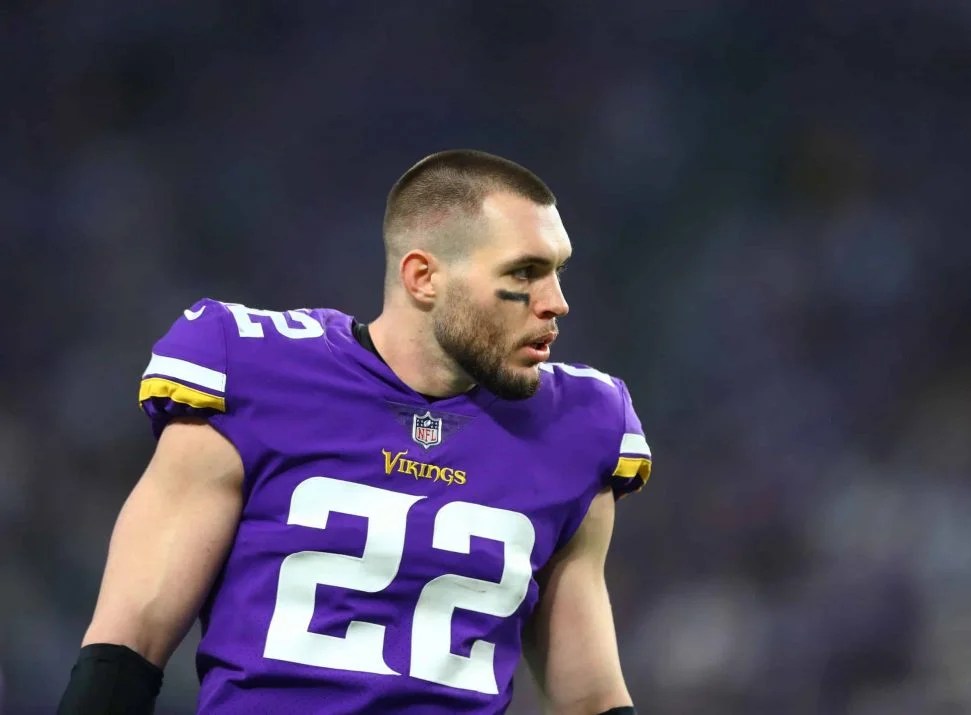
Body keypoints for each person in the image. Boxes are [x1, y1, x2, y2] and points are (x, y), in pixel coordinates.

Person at [58, 150, 652, 714]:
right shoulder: (254, 373)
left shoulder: (580, 428)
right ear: (423, 277)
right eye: (526, 272)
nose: (556, 302)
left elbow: (590, 699)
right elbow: (129, 642)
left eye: (558, 271)